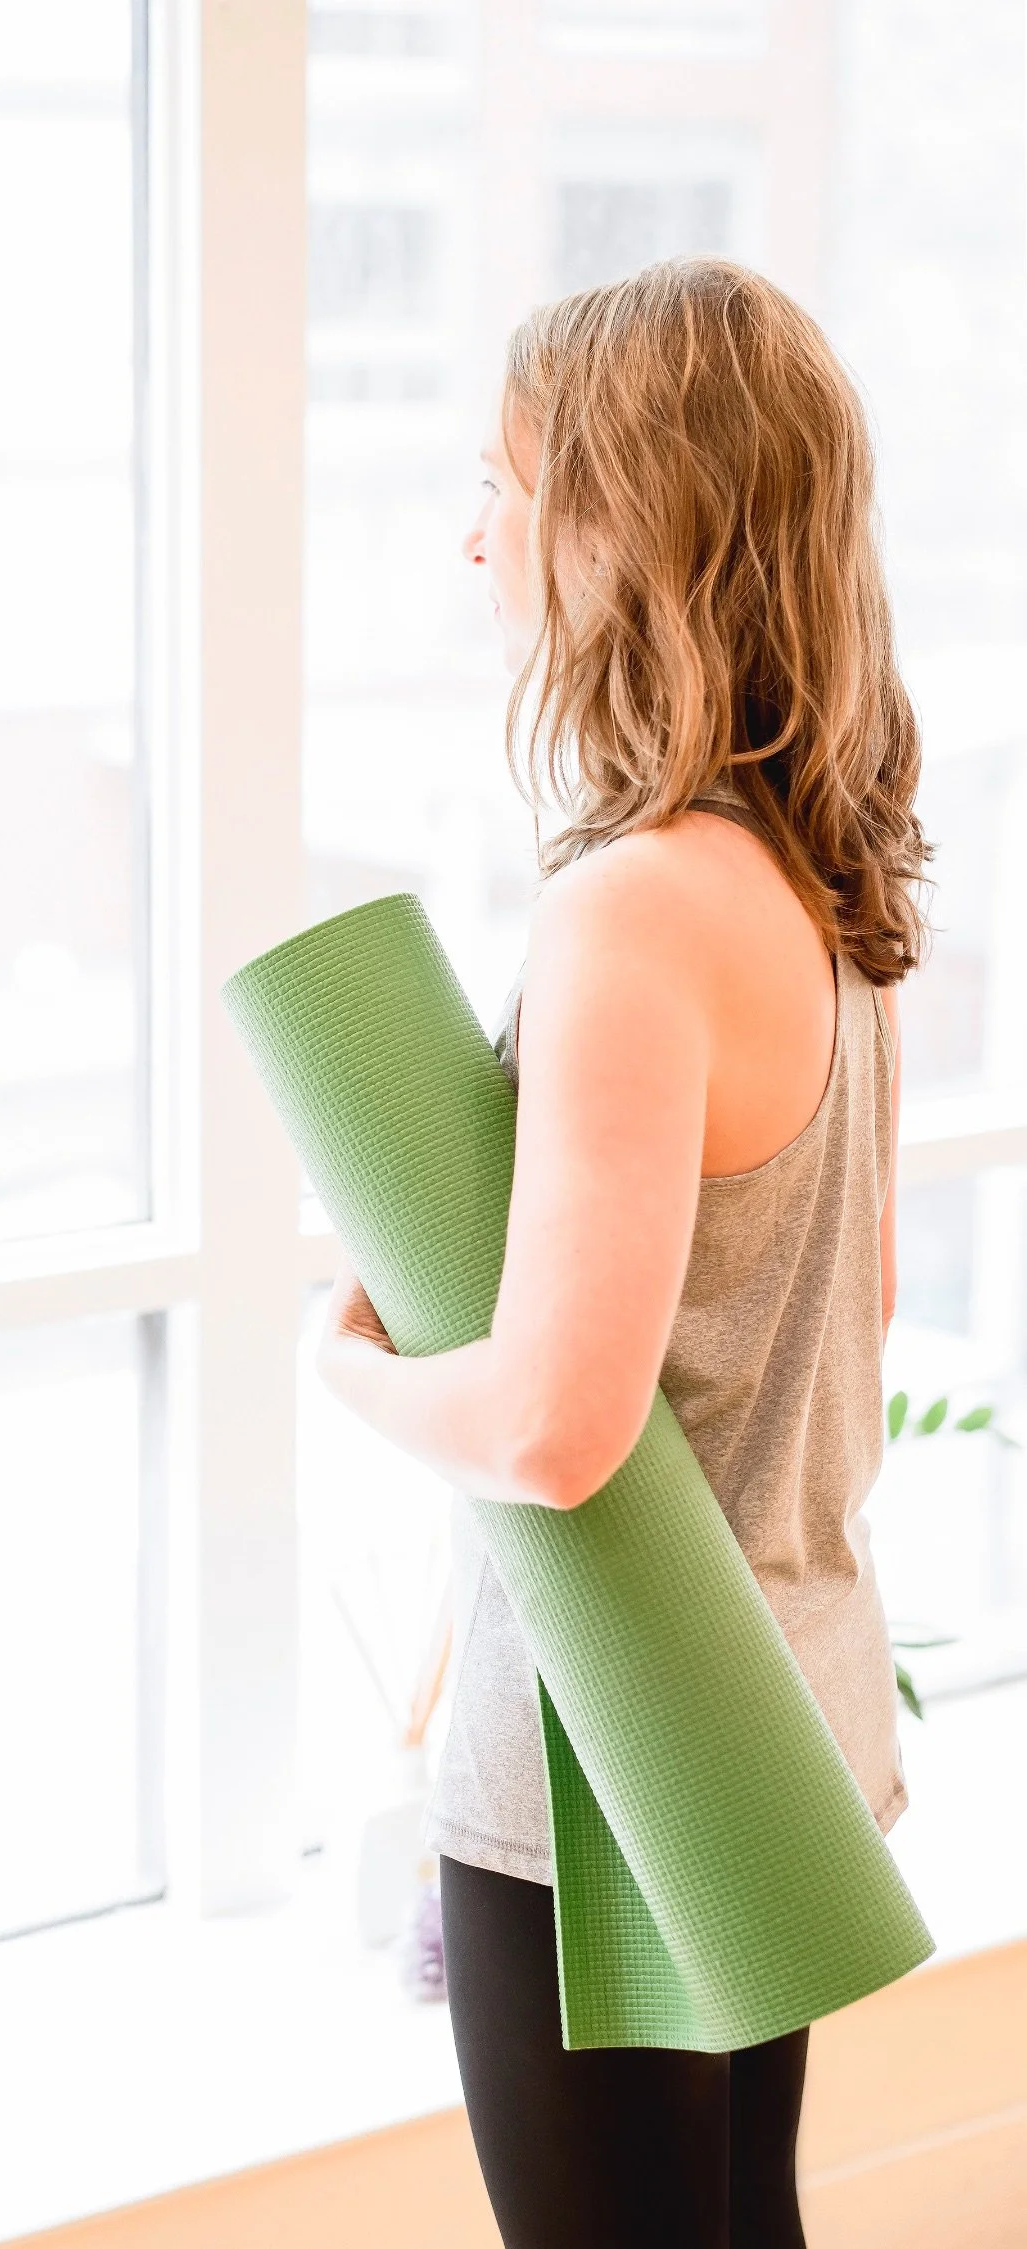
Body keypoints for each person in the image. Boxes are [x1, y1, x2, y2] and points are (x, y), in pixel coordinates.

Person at [315, 258, 929, 2249]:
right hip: (777, 1708)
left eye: (501, 477)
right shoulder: (822, 879)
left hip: (603, 1757)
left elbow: (557, 1428)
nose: (471, 526)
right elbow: (851, 1305)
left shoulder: (632, 906)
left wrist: (352, 1360)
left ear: (618, 520)